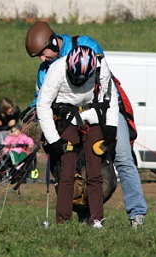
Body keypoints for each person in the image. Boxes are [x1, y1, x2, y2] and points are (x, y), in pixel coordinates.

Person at [25, 21, 147, 227]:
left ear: (52, 43)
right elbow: (42, 98)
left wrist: (109, 128)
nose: (42, 59)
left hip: (103, 108)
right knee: (74, 166)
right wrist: (31, 110)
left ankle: (137, 213)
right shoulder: (46, 69)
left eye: (43, 53)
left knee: (123, 156)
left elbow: (103, 82)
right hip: (71, 117)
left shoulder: (86, 44)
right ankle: (84, 213)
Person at [36, 45, 118, 228]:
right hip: (67, 120)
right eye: (75, 78)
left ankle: (96, 220)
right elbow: (43, 105)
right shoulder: (57, 69)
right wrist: (54, 140)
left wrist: (111, 128)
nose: (79, 81)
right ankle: (63, 221)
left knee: (95, 172)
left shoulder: (101, 66)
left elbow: (111, 98)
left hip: (93, 117)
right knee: (66, 172)